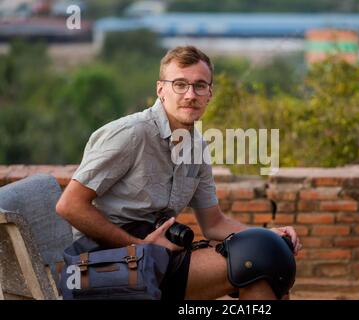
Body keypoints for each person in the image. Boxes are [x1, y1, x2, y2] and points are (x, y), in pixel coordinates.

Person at [56, 45, 301, 300]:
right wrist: (139, 246)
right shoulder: (131, 134)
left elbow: (214, 223)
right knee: (262, 261)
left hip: (157, 258)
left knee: (270, 258)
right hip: (105, 264)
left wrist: (266, 234)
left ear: (209, 94)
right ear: (161, 89)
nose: (190, 94)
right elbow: (69, 205)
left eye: (200, 86)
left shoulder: (197, 147)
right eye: (180, 84)